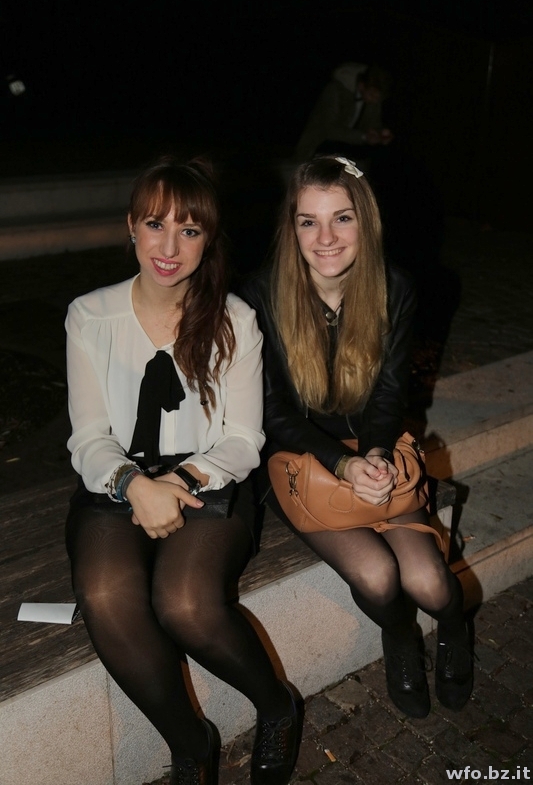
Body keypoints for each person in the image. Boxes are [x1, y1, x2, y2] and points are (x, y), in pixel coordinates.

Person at [64, 157, 302, 785]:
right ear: (131, 227)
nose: (169, 248)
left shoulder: (235, 320)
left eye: (189, 230)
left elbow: (244, 439)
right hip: (116, 480)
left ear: (208, 238)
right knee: (104, 596)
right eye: (155, 225)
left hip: (210, 480)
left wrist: (181, 482)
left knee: (185, 604)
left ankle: (276, 704)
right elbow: (88, 437)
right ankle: (191, 742)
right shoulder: (89, 315)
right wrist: (134, 485)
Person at [240, 155, 473, 719]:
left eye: (341, 218)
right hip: (300, 457)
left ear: (365, 221)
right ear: (292, 227)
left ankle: (453, 628)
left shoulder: (394, 287)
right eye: (309, 221)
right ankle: (400, 637)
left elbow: (390, 394)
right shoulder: (259, 295)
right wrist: (342, 465)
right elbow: (272, 412)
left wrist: (374, 453)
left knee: (430, 582)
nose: (325, 238)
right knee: (377, 575)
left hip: (374, 443)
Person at [294, 63, 393, 163]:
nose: (374, 100)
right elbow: (329, 129)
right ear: (362, 85)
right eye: (372, 95)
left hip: (345, 153)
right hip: (315, 150)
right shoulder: (335, 90)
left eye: (378, 98)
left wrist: (380, 133)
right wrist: (363, 137)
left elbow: (372, 124)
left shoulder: (373, 98)